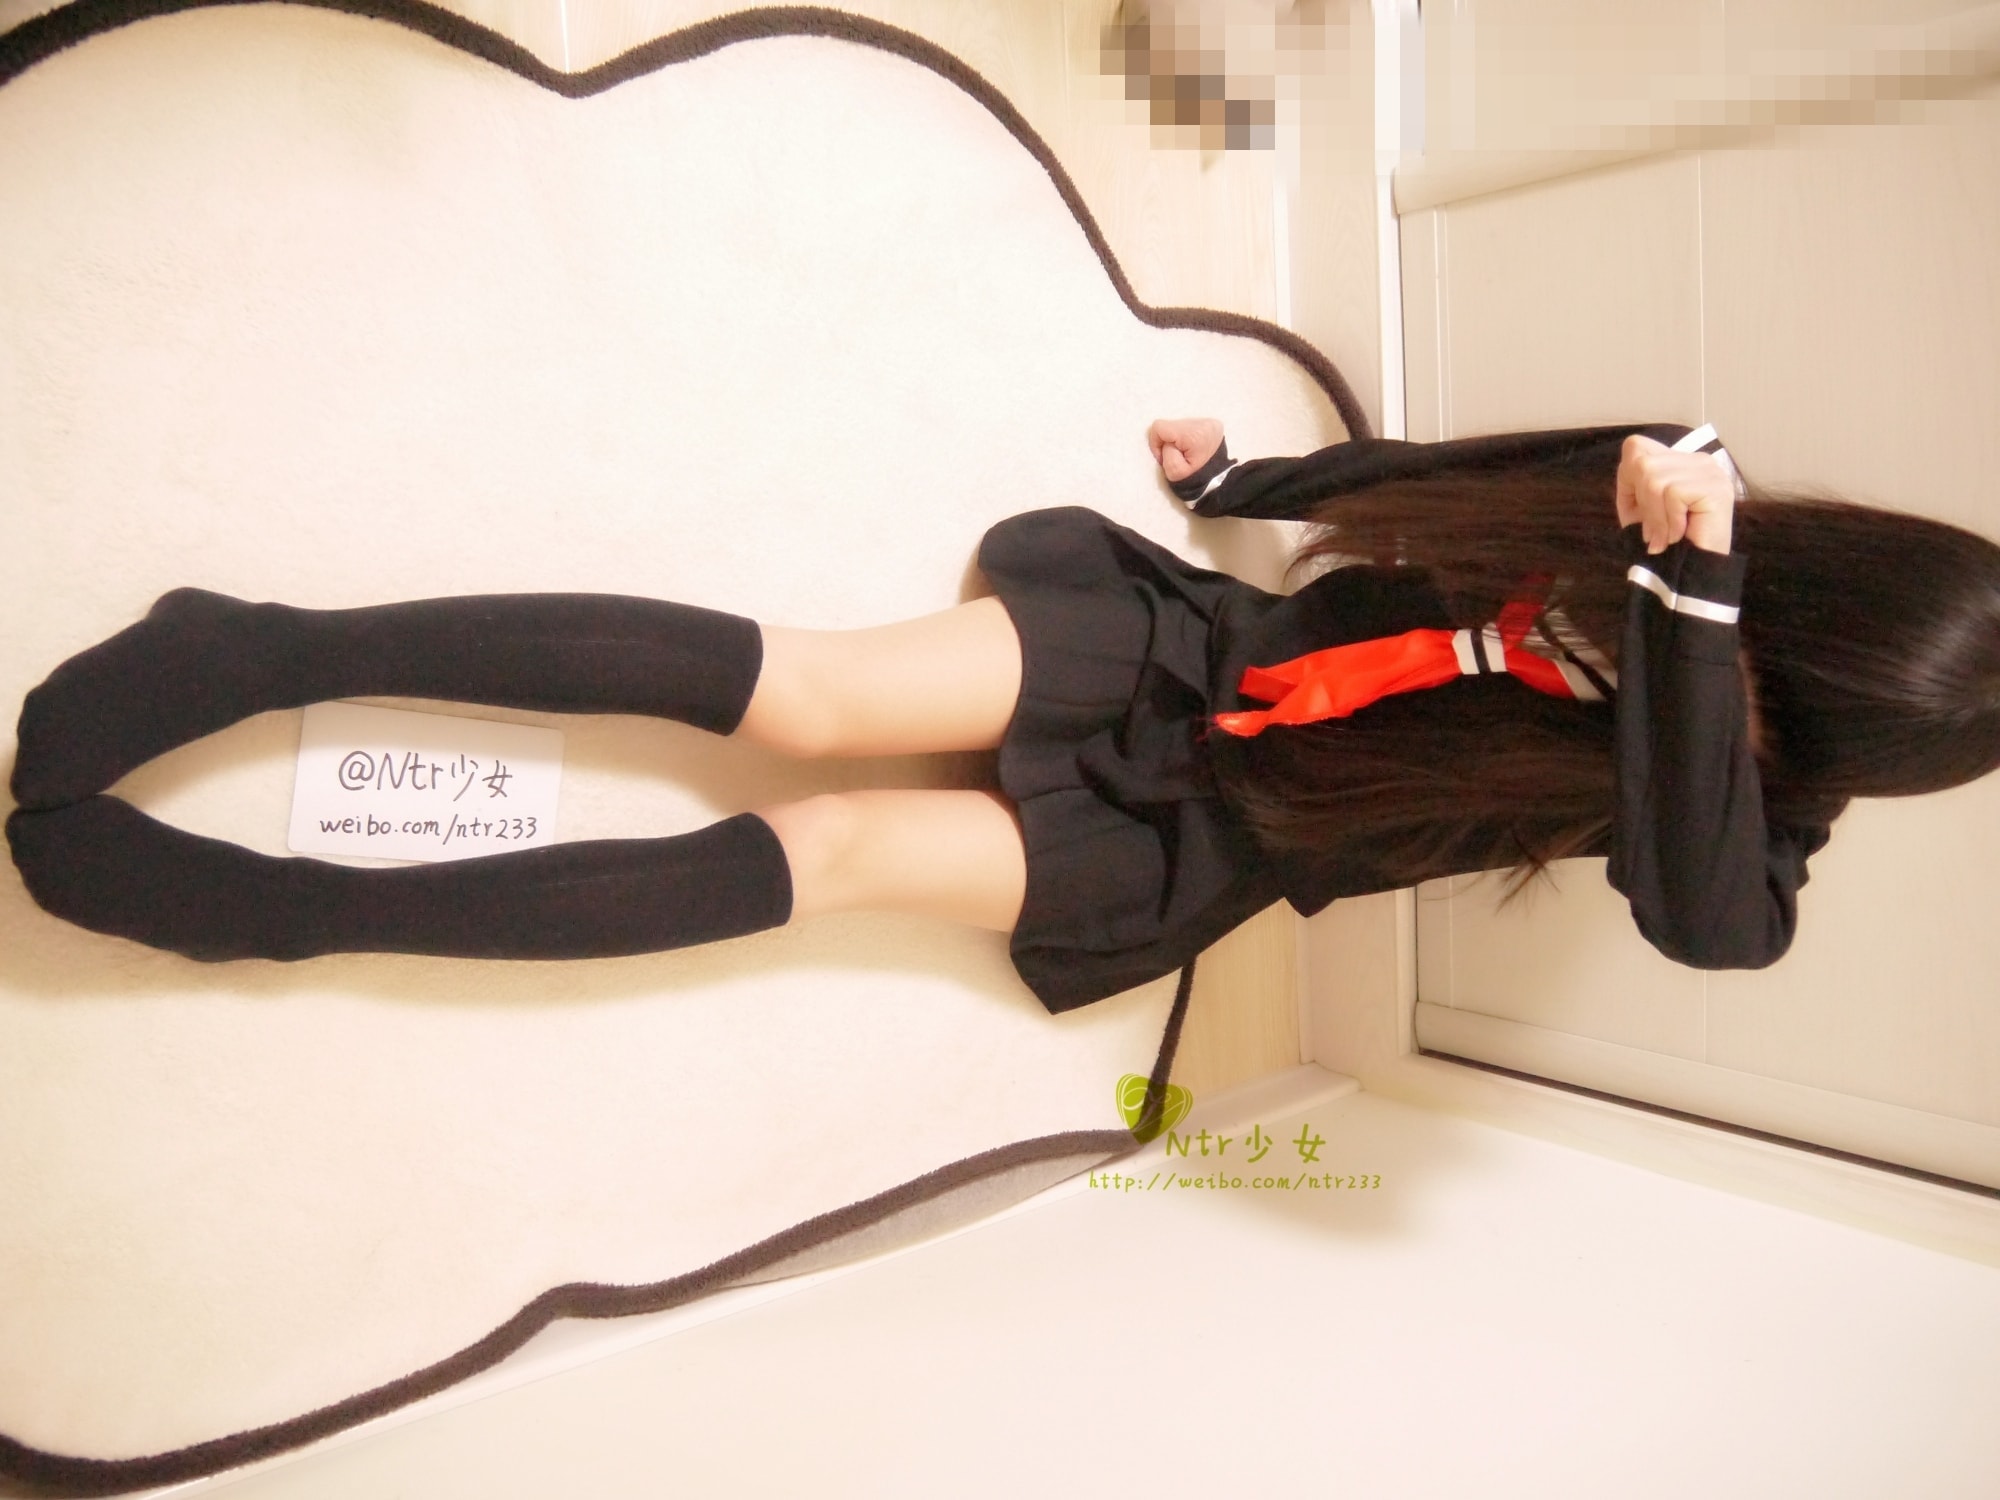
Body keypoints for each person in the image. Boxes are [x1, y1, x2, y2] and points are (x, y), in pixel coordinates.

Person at [11, 417, 2000, 1015]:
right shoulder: (1683, 488)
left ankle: (295, 906)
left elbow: (1703, 924)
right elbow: (1457, 466)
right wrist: (1256, 482)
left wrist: (1690, 627)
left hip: (1213, 838)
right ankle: (263, 646)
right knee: (812, 693)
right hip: (1197, 659)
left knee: (831, 848)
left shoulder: (1759, 823)